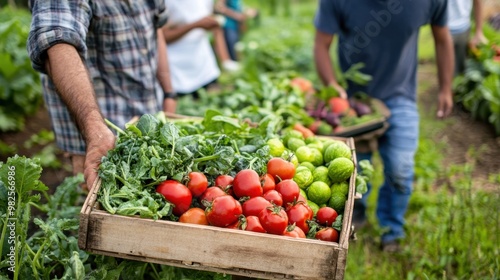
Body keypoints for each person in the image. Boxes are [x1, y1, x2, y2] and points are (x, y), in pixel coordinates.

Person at [314, 0, 454, 252]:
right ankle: (356, 214)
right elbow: (321, 44)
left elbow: (442, 38)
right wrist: (332, 85)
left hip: (400, 97)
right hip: (354, 101)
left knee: (401, 168)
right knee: (355, 169)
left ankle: (392, 229)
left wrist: (445, 88)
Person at [27, 1, 176, 189]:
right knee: (96, 203)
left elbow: (156, 28)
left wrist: (169, 93)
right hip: (98, 134)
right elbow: (57, 42)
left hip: (148, 116)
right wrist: (95, 134)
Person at [162, 0, 240, 99]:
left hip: (205, 68)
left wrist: (225, 60)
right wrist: (194, 25)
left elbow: (215, 28)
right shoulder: (165, 2)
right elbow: (161, 37)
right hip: (177, 73)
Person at [448, 0, 488, 75]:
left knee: (461, 70)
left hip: (463, 28)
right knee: (446, 71)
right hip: (443, 28)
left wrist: (478, 32)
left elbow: (478, 2)